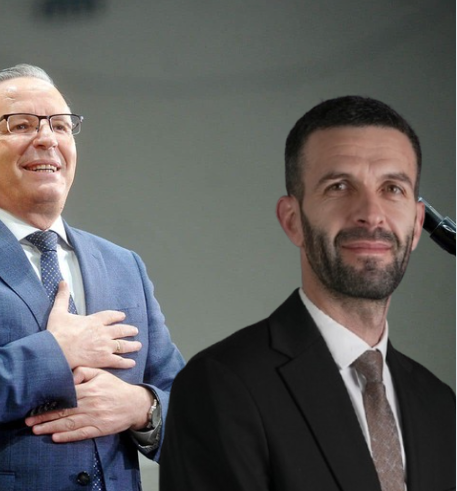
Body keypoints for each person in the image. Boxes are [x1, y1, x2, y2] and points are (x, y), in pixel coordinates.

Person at [0, 64, 185, 490]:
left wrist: (140, 407)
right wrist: (57, 352)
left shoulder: (123, 265)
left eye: (60, 125)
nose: (47, 138)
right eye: (20, 124)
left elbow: (195, 415)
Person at [160, 96, 455, 490]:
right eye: (339, 186)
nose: (371, 214)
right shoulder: (219, 386)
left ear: (417, 226)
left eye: (392, 188)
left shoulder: (439, 404)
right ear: (292, 220)